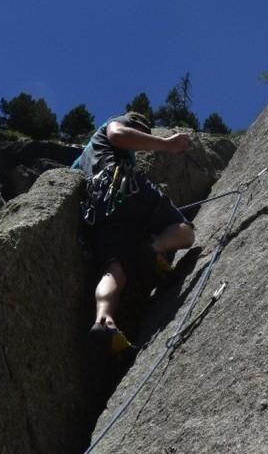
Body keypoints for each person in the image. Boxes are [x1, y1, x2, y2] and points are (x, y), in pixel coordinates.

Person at [73, 110, 194, 356]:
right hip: (121, 183)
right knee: (185, 231)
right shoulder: (117, 123)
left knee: (114, 267)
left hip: (97, 210)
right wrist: (166, 144)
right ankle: (153, 250)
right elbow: (118, 134)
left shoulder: (83, 157)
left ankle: (104, 320)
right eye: (142, 132)